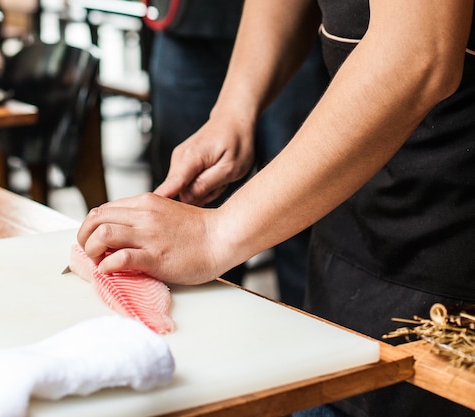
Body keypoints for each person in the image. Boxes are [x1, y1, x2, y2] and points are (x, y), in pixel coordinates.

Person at [77, 1, 475, 416]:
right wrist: (234, 109)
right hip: (357, 232)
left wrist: (217, 234)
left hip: (451, 239)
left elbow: (418, 53)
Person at [146, 0, 329, 306]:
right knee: (186, 201)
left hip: (305, 27)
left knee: (299, 224)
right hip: (188, 21)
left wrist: (217, 236)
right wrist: (230, 114)